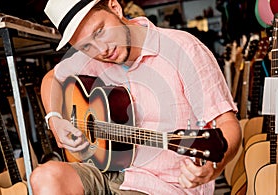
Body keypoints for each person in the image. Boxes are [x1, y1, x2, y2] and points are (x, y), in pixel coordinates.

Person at [30, 0, 242, 194]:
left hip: (165, 185)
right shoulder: (93, 58)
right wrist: (55, 119)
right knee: (44, 177)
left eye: (100, 31)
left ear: (115, 8)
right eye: (86, 46)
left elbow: (227, 124)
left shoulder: (184, 49)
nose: (101, 50)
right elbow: (51, 79)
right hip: (108, 170)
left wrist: (212, 168)